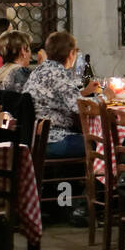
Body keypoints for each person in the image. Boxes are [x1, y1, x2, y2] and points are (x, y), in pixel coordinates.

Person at [24, 30, 102, 158]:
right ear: (71, 53)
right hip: (52, 139)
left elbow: (60, 98)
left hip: (35, 137)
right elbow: (81, 107)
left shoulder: (39, 70)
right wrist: (106, 98)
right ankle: (100, 177)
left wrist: (84, 92)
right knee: (99, 144)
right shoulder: (58, 74)